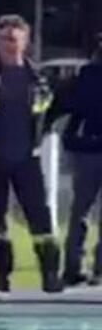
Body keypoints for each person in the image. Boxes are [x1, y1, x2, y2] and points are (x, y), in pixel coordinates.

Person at [0, 15, 63, 293]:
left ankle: (49, 275)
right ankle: (1, 276)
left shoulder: (39, 80)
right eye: (3, 39)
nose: (8, 44)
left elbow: (50, 114)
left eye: (13, 38)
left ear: (25, 41)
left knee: (41, 221)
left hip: (26, 160)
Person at [62, 33, 102, 286]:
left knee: (80, 212)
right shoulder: (86, 77)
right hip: (89, 148)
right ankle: (94, 269)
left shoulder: (83, 77)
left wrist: (71, 140)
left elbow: (70, 111)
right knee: (81, 212)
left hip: (86, 147)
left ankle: (75, 266)